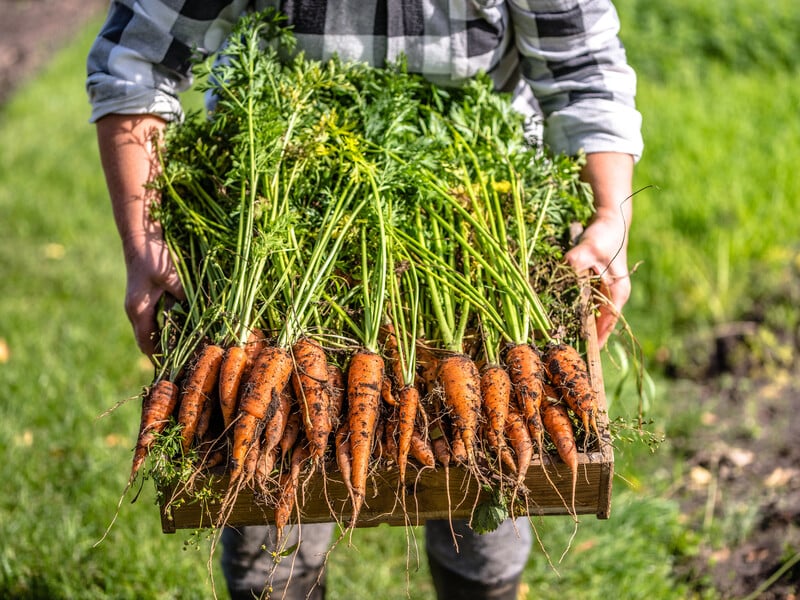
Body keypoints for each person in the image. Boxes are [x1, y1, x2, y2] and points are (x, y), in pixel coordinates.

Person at [87, 2, 643, 599]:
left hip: (483, 201)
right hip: (274, 190)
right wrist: (142, 241)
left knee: (500, 471)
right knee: (258, 477)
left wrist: (611, 214)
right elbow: (137, 58)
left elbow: (585, 68)